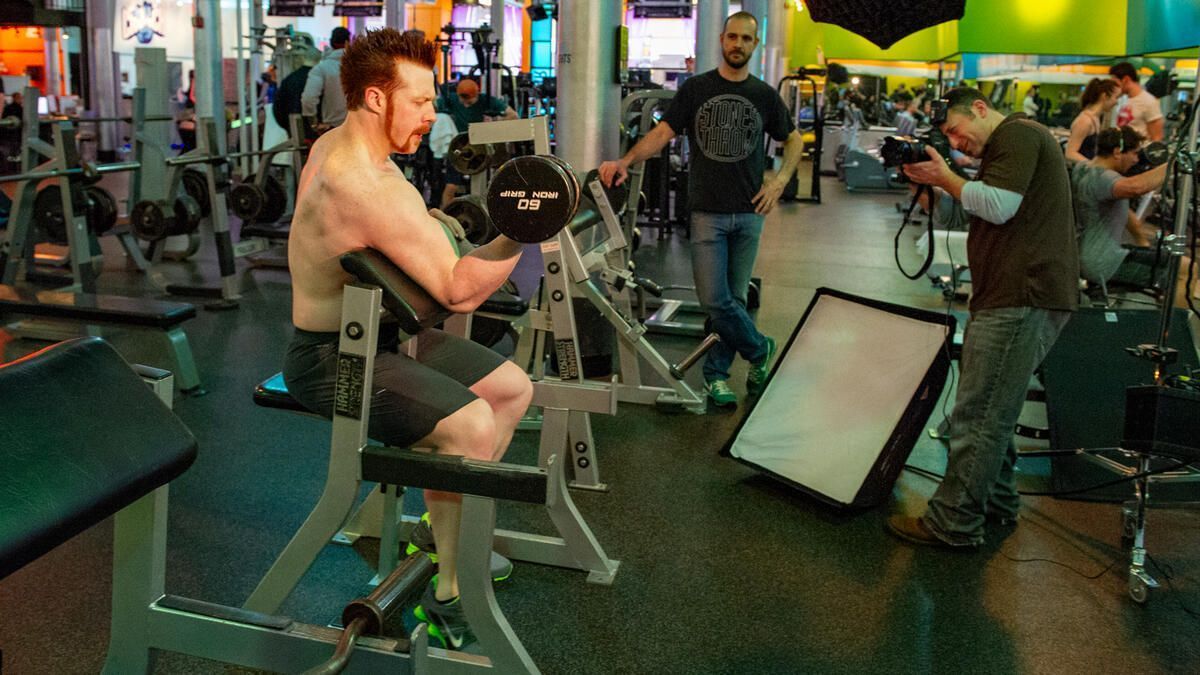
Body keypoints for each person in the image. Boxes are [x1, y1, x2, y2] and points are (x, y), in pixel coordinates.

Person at [282, 28, 531, 649]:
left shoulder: (348, 148)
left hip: (381, 335)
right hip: (329, 358)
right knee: (471, 425)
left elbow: (418, 249)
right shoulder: (358, 182)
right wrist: (523, 231)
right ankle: (451, 596)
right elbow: (458, 293)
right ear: (374, 97)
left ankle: (446, 525)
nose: (431, 115)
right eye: (420, 102)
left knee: (510, 388)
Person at [889, 88, 1079, 548]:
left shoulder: (1017, 135)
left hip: (1022, 293)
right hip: (1015, 293)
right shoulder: (1010, 144)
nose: (956, 141)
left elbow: (998, 205)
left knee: (977, 414)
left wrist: (947, 177)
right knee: (998, 403)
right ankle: (996, 501)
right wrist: (938, 181)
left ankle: (954, 521)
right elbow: (982, 204)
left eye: (956, 130)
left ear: (979, 109)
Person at [598, 11, 805, 410]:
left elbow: (793, 140)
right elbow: (661, 133)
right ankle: (760, 349)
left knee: (736, 301)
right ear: (722, 40)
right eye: (733, 37)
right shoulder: (697, 89)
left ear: (754, 45)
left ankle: (716, 377)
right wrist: (626, 161)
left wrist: (778, 183)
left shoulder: (763, 95)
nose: (738, 44)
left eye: (747, 39)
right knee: (715, 300)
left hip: (749, 214)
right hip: (707, 213)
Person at [1071, 126, 1168, 291]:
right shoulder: (1103, 178)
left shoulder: (1082, 168)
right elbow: (1136, 187)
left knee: (1165, 259)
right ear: (1117, 152)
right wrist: (1173, 163)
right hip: (1103, 263)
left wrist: (1141, 241)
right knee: (1183, 269)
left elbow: (1127, 215)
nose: (1137, 160)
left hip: (1087, 255)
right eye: (1135, 154)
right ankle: (1174, 317)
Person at [436, 78, 517, 208]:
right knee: (451, 187)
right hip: (459, 148)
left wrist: (493, 124)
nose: (466, 103)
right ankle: (446, 220)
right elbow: (432, 107)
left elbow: (513, 115)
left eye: (469, 100)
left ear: (477, 94)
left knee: (483, 186)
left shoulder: (487, 101)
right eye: (463, 100)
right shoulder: (451, 99)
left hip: (481, 151)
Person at [302, 26, 352, 133]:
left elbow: (308, 99)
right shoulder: (362, 67)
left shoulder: (322, 68)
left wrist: (313, 123)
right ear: (349, 42)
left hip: (332, 129)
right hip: (360, 129)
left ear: (331, 43)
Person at [1064, 78, 1121, 162]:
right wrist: (1093, 166)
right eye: (1116, 97)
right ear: (1104, 96)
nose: (1117, 102)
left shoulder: (1096, 119)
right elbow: (1070, 153)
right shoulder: (1085, 121)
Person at [273, 48, 321, 140]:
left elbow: (278, 108)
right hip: (316, 132)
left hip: (294, 130)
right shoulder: (319, 78)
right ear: (319, 60)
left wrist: (288, 128)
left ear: (304, 59)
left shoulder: (289, 79)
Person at [1109, 62, 1164, 141]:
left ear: (1125, 79)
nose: (1114, 87)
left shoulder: (1149, 101)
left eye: (1116, 83)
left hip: (1139, 151)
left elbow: (1157, 137)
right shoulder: (1123, 99)